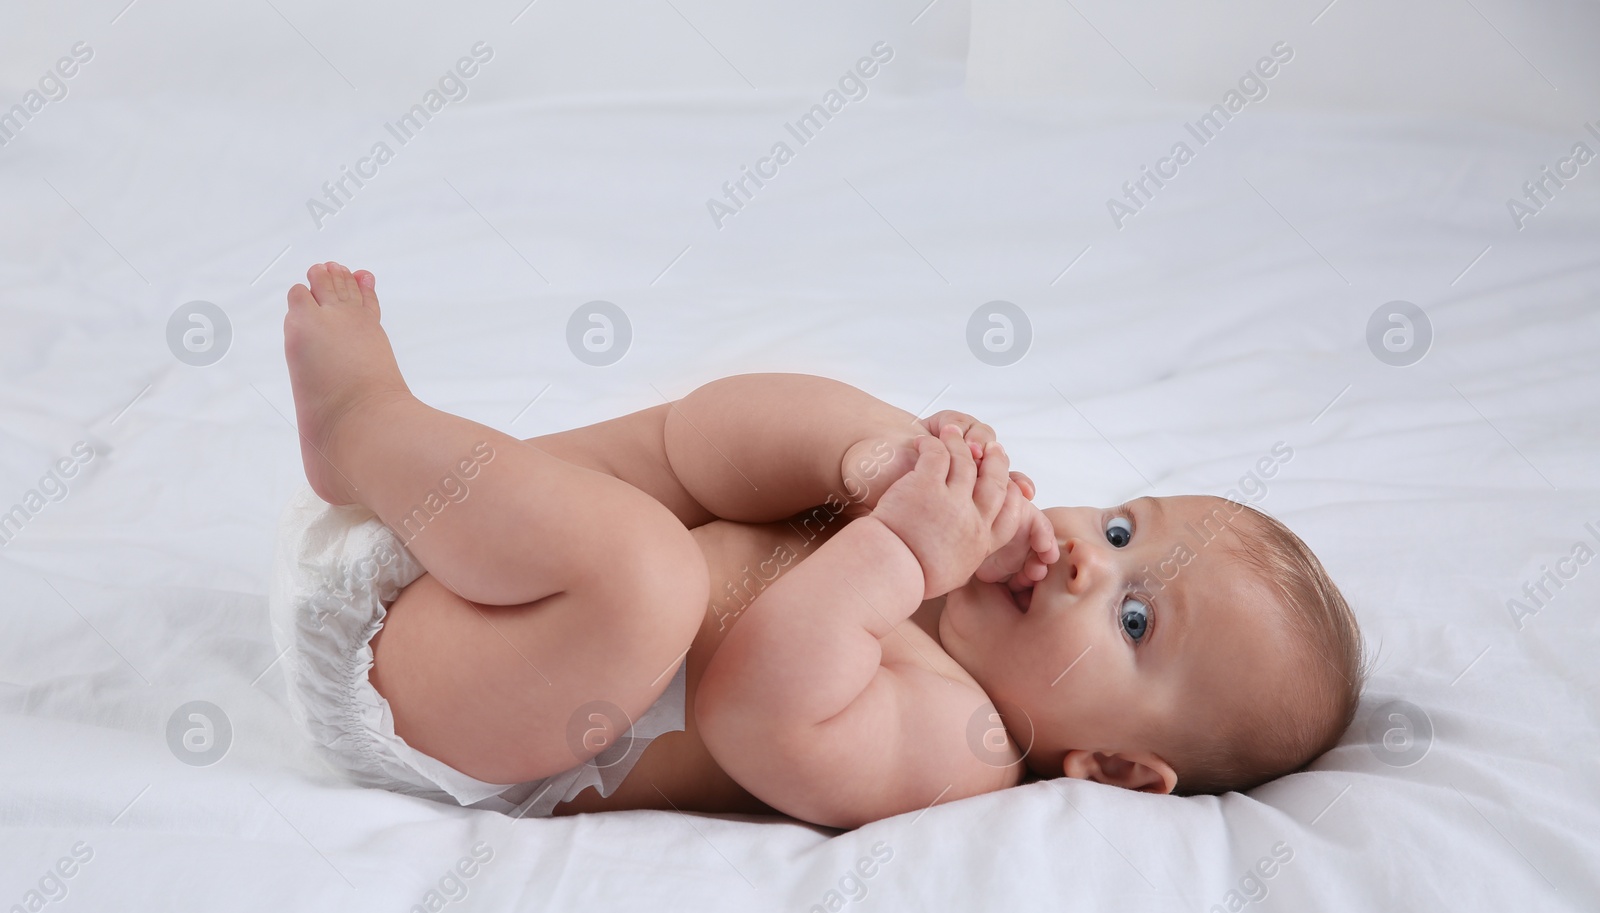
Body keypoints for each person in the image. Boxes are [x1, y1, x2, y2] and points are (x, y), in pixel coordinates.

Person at [270, 261, 1363, 829]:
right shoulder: (945, 552)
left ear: (1115, 768)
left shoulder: (963, 746)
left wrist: (904, 555)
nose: (1090, 557)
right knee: (697, 447)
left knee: (648, 579)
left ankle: (368, 425)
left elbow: (757, 705)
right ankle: (400, 461)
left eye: (1134, 617)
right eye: (1123, 529)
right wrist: (876, 468)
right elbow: (711, 437)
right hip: (454, 550)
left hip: (451, 709)